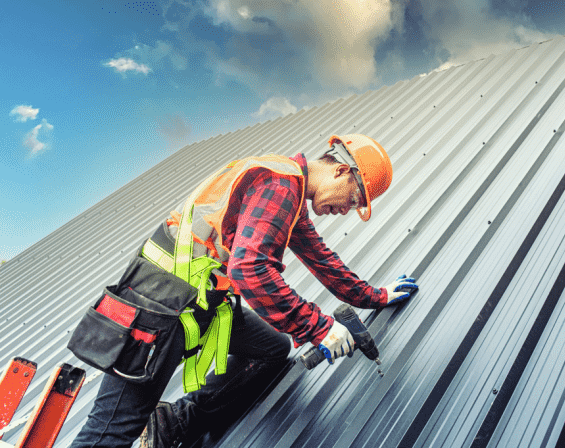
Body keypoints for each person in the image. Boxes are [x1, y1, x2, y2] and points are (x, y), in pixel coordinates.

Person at [69, 134, 418, 448]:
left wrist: (376, 296)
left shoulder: (289, 190)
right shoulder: (280, 184)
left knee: (271, 349)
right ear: (342, 172)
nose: (346, 210)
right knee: (112, 432)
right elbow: (250, 269)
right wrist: (319, 328)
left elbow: (320, 258)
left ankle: (171, 423)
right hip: (158, 306)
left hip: (201, 302)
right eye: (355, 199)